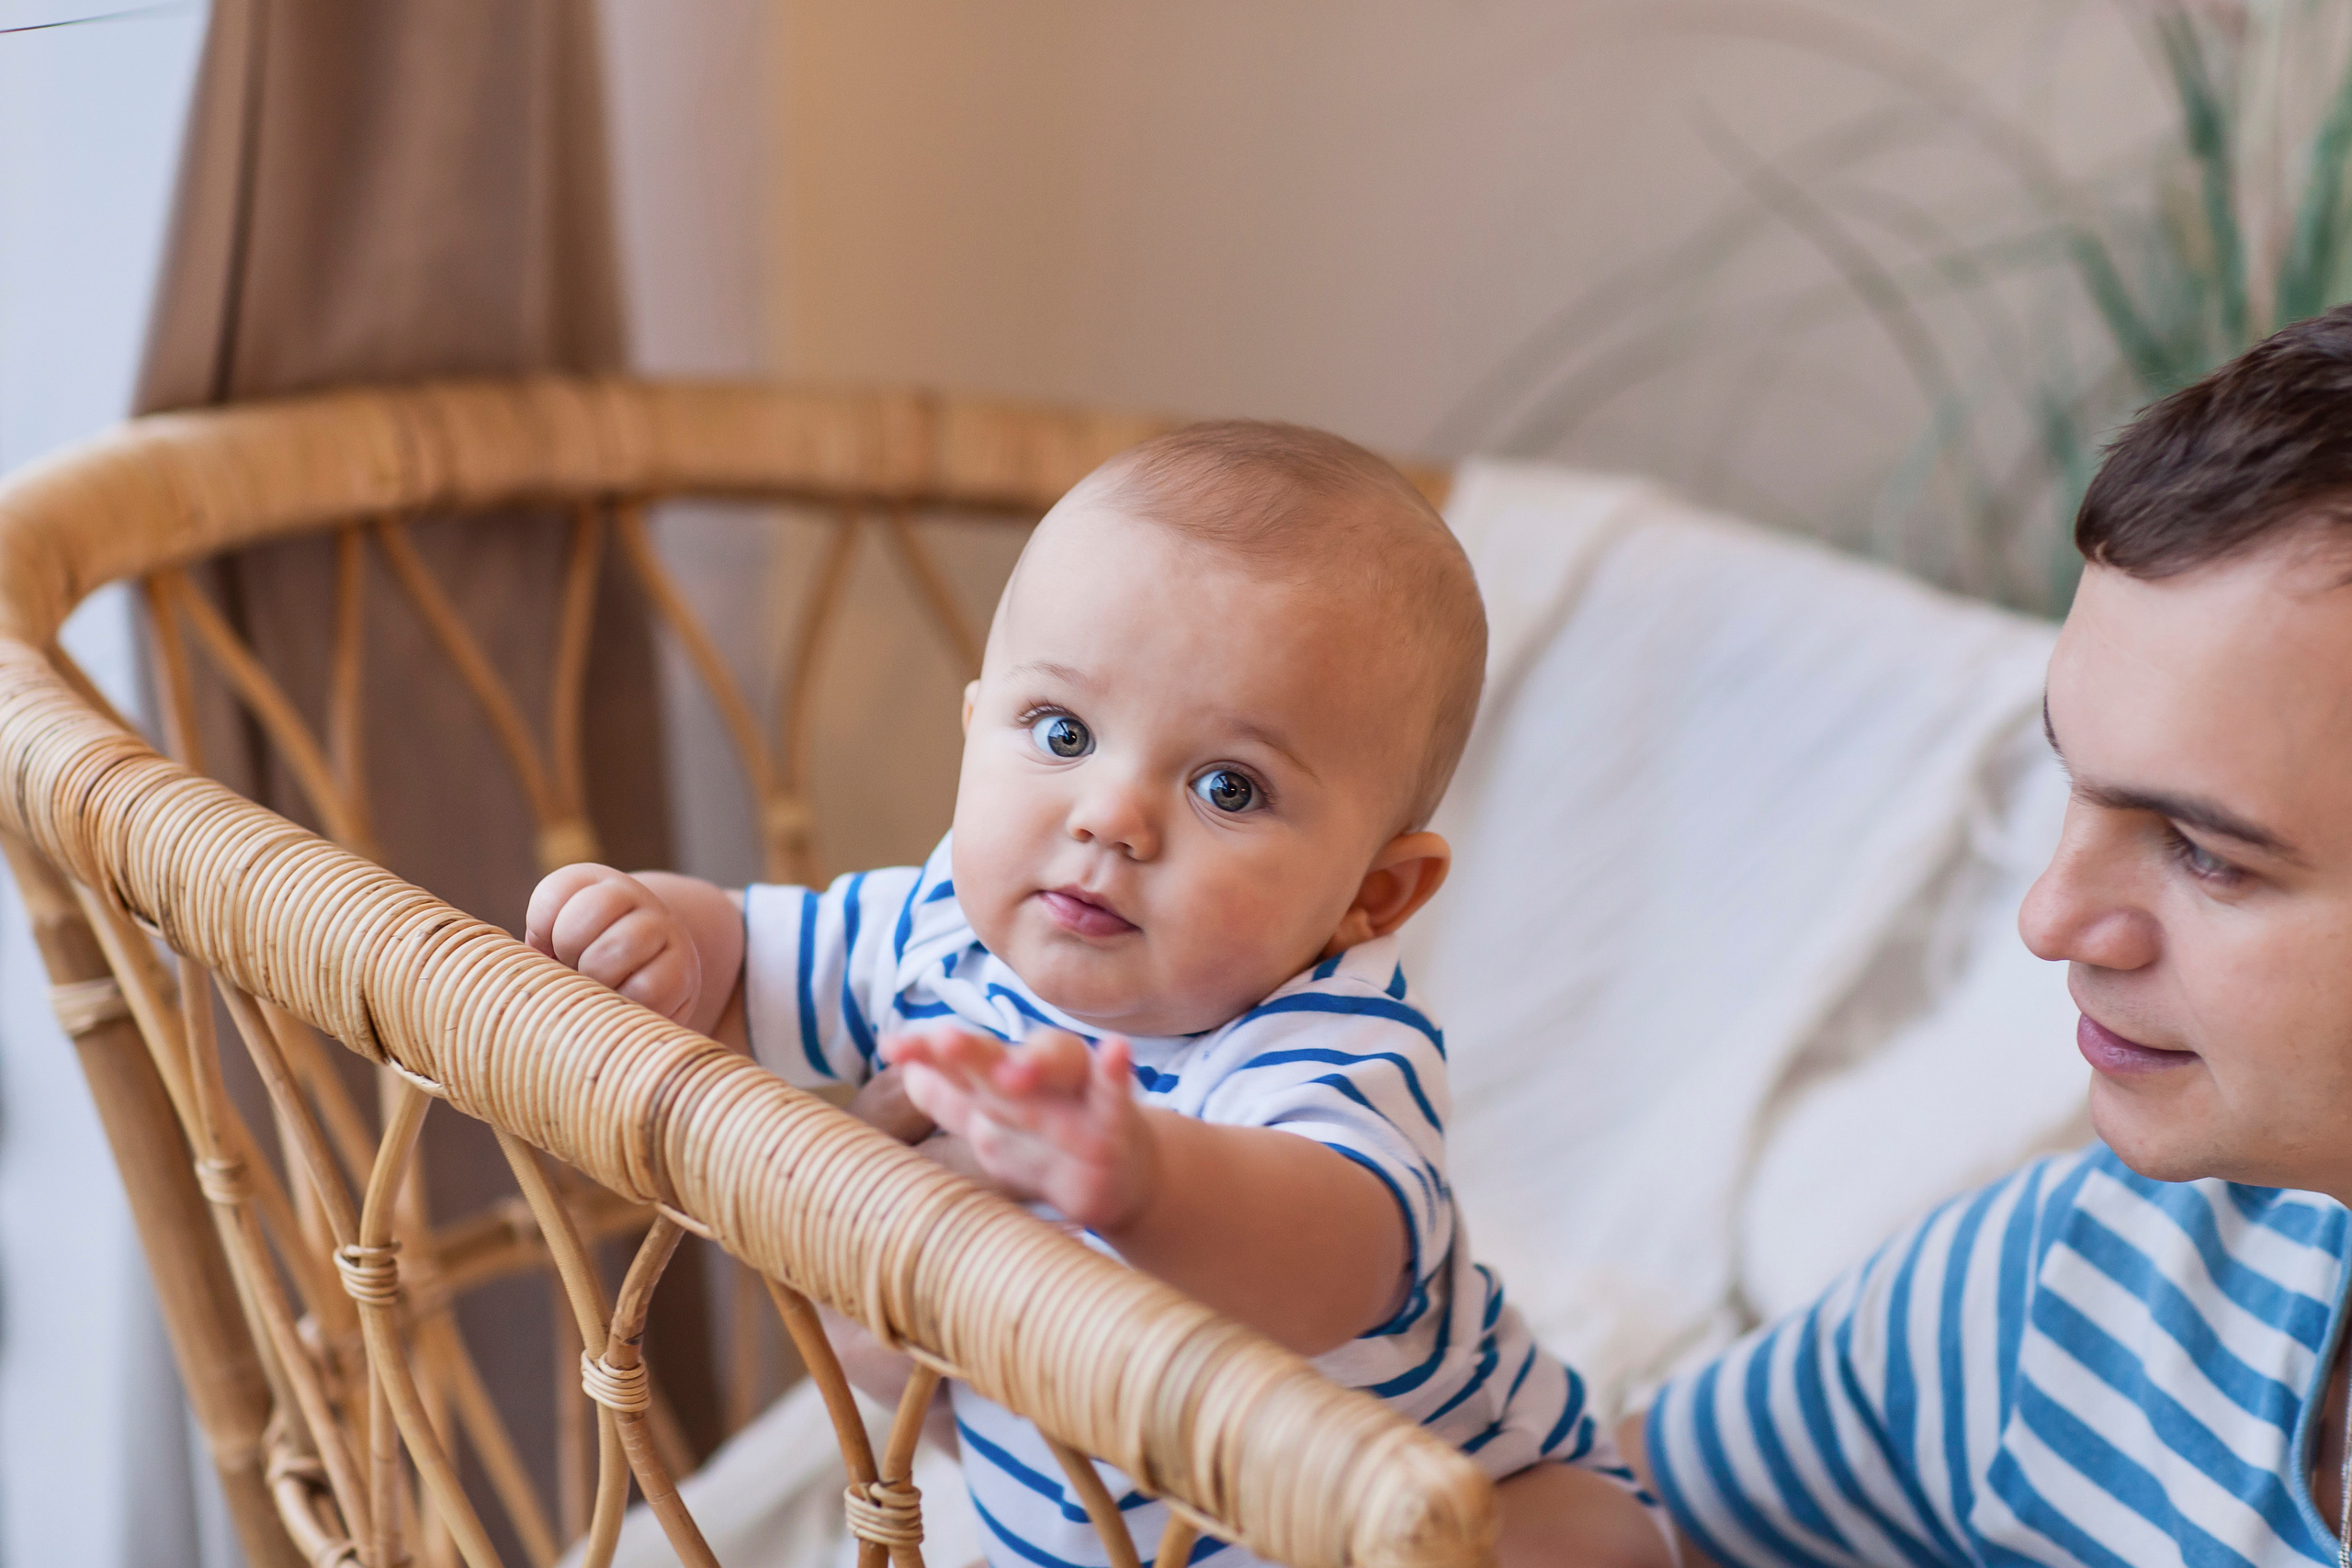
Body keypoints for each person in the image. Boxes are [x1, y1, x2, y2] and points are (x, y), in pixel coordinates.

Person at [525, 422, 1664, 1567]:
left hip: (1444, 1504)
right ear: (976, 729)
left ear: (1372, 893)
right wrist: (663, 931)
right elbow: (754, 959)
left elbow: (1337, 1262)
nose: (1110, 815)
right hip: (1089, 1522)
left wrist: (1152, 1180)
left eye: (1229, 786)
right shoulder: (936, 933)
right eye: (1062, 731)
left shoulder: (1326, 1036)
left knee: (1587, 1544)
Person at [1495, 303, 2352, 1566]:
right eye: (2077, 781)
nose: (2052, 916)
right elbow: (1588, 1530)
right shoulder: (2068, 1285)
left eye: (2204, 850)